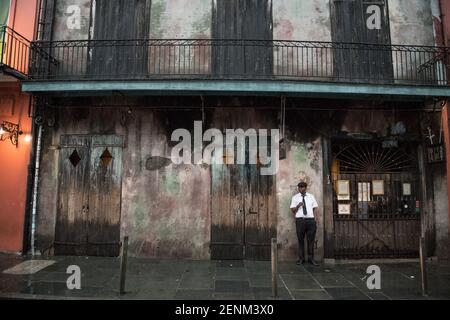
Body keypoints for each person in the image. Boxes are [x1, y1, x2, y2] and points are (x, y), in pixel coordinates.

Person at [290, 181, 319, 266]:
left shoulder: (311, 197)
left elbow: (314, 208)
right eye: (299, 187)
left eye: (302, 187)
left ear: (306, 188)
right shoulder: (295, 198)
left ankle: (311, 259)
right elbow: (293, 210)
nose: (301, 189)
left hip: (310, 221)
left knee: (311, 241)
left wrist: (311, 217)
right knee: (300, 240)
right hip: (300, 221)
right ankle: (301, 259)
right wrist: (298, 206)